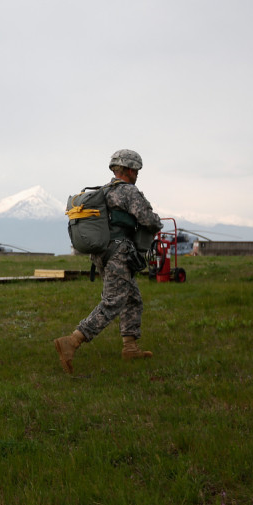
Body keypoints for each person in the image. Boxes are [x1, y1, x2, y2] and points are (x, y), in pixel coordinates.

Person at [54, 149, 163, 374]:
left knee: (132, 299)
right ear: (130, 170)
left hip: (104, 254)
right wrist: (156, 222)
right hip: (120, 253)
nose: (137, 174)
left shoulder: (105, 191)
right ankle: (73, 341)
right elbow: (147, 219)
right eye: (136, 170)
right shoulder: (127, 192)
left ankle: (130, 348)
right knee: (114, 301)